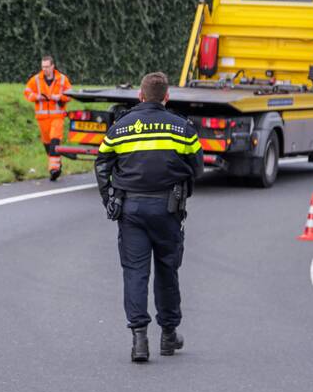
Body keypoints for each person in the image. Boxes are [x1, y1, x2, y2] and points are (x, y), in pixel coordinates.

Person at [93, 72, 203, 363]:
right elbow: (197, 168)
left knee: (135, 271)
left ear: (140, 96)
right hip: (168, 209)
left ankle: (139, 340)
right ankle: (168, 335)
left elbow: (102, 163)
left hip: (130, 210)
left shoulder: (120, 128)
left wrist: (109, 199)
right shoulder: (183, 129)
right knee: (168, 270)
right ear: (167, 97)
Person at [24, 55, 72, 181]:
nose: (44, 69)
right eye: (43, 67)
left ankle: (54, 169)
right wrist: (36, 96)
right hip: (42, 118)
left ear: (52, 66)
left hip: (57, 116)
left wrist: (60, 97)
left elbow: (69, 95)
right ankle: (57, 163)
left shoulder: (62, 79)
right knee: (47, 144)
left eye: (47, 67)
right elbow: (27, 92)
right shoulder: (36, 80)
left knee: (55, 140)